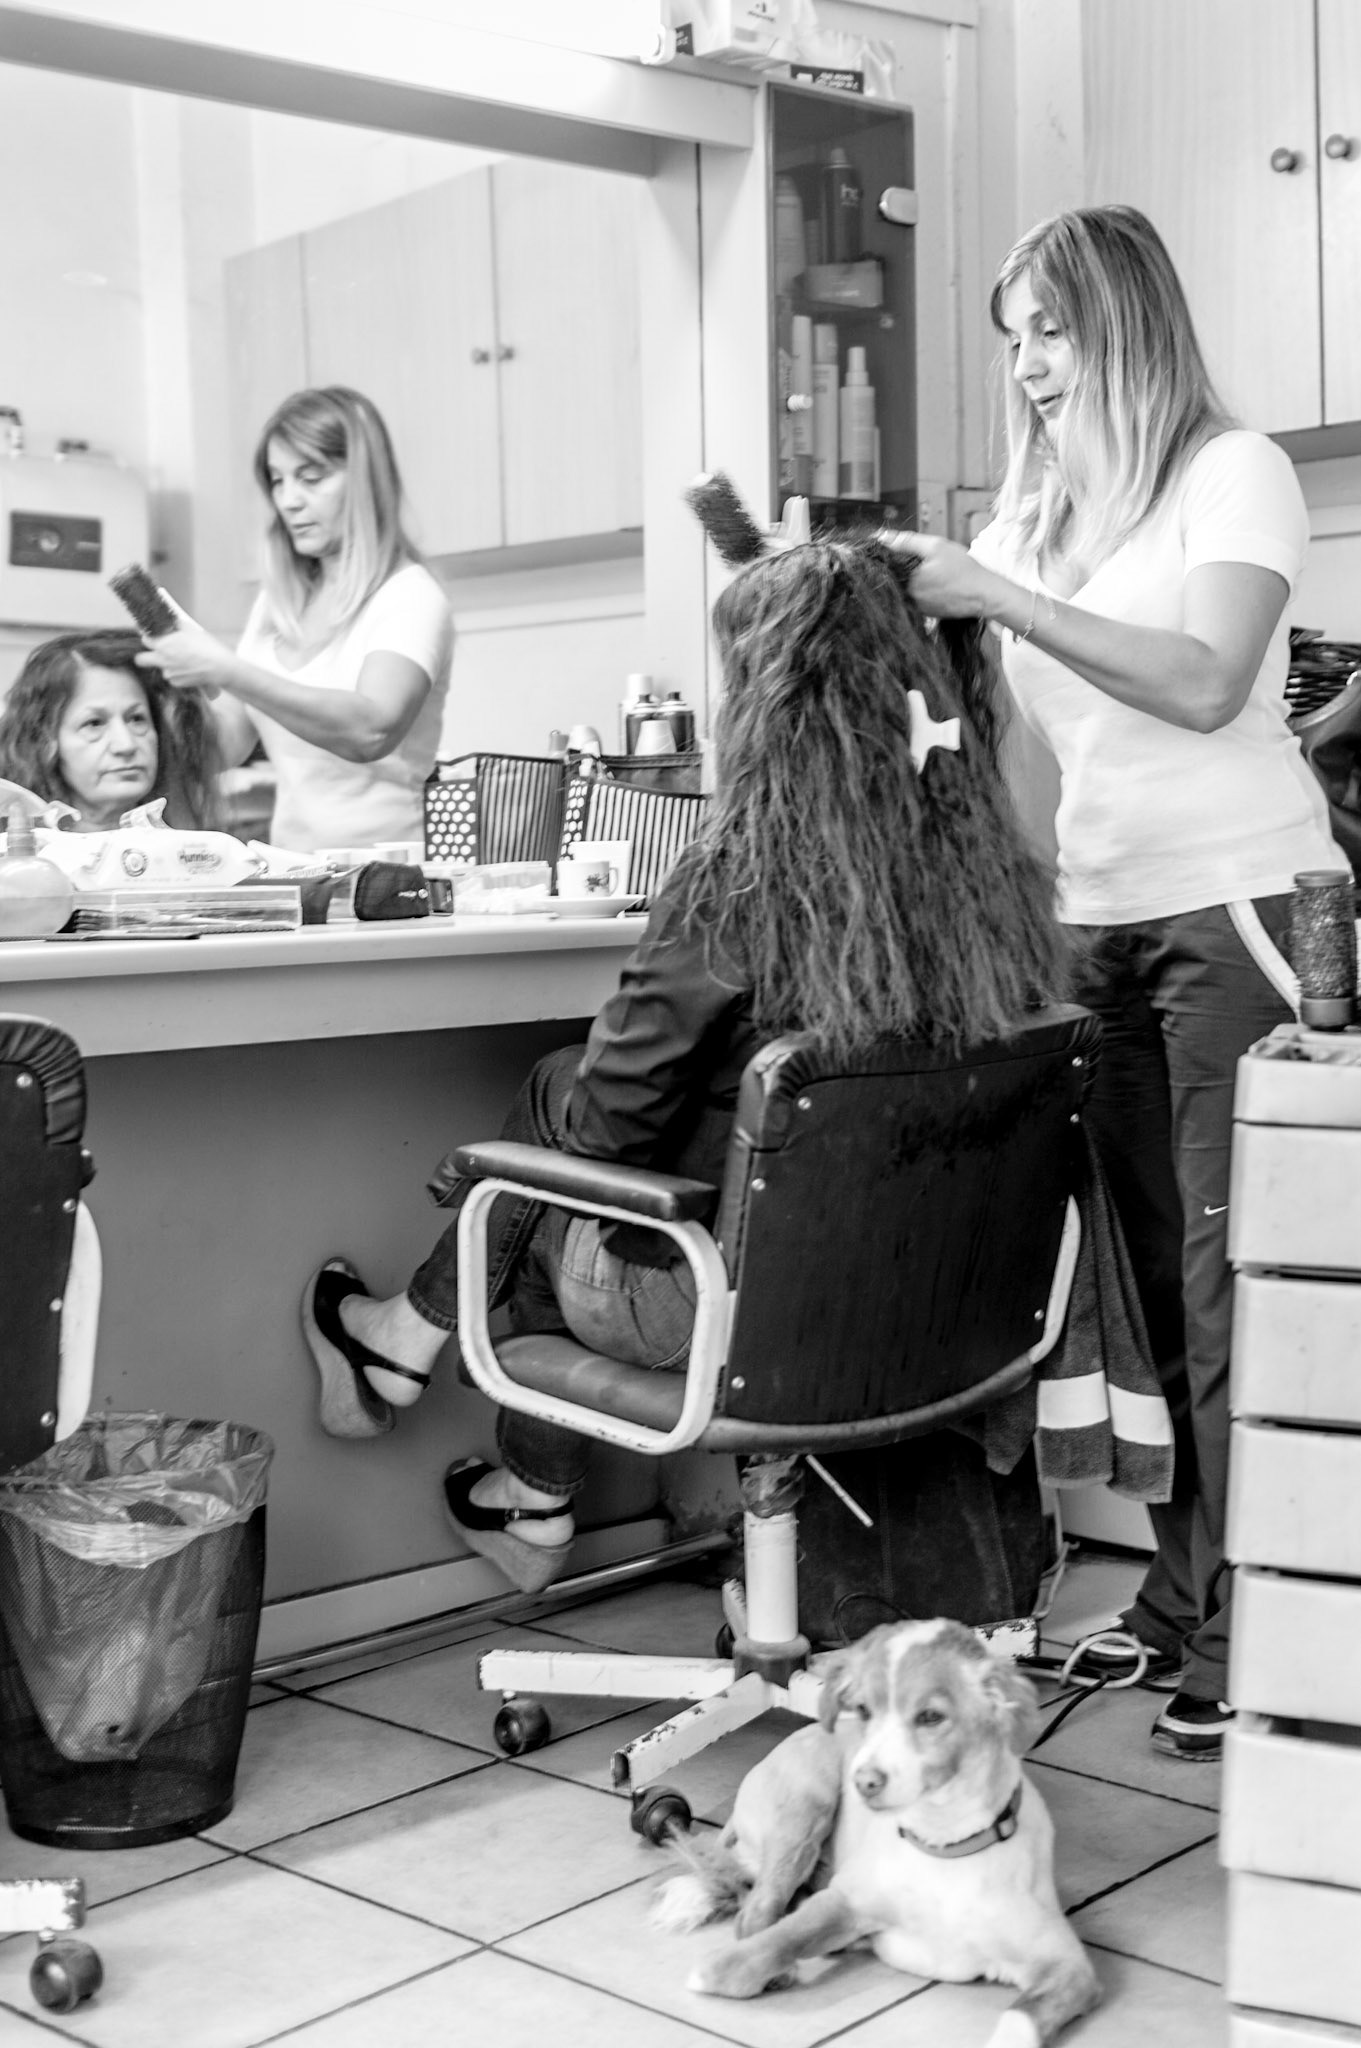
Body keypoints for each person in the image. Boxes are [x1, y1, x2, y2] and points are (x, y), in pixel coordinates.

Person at [301, 537, 1072, 1595]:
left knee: (545, 1122)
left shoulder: (740, 877)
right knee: (560, 1134)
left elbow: (607, 1129)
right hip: (937, 1308)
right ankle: (477, 1431)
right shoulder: (993, 874)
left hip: (743, 1319)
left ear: (771, 705)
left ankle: (480, 1429)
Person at [881, 205, 1347, 1760]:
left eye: (1053, 330)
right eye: (1011, 334)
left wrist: (1000, 599)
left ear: (1126, 322)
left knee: (1237, 1292)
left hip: (1242, 914)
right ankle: (1186, 1600)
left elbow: (1211, 684)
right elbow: (1028, 768)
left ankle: (1271, 1629)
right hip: (1101, 931)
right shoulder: (1023, 528)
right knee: (1149, 1302)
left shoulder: (1234, 473)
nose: (1025, 364)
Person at [139, 386, 453, 854]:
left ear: (365, 479)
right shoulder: (277, 603)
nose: (289, 500)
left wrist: (225, 670)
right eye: (278, 480)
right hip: (296, 874)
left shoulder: (410, 597)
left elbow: (371, 730)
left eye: (311, 478)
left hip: (386, 882)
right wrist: (154, 709)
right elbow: (229, 742)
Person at [0, 628, 220, 832]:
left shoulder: (184, 845)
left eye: (136, 719)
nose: (126, 745)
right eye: (94, 724)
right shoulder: (23, 856)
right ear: (43, 741)